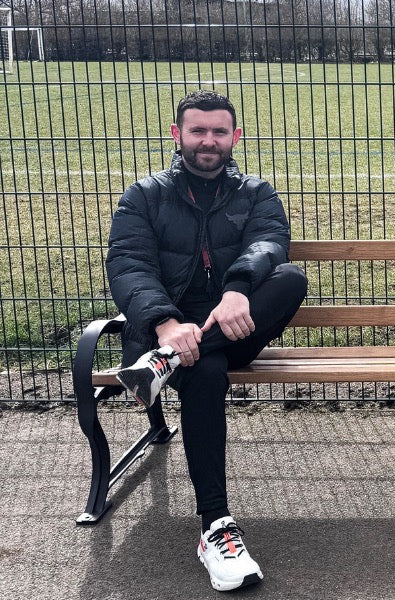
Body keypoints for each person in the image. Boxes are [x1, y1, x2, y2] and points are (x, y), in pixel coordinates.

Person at [106, 90, 307, 592]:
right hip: (162, 332)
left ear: (235, 137)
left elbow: (269, 243)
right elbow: (130, 267)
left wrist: (238, 288)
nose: (209, 141)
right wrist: (165, 325)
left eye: (220, 131)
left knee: (290, 278)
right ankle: (216, 527)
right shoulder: (144, 196)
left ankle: (165, 363)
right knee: (203, 370)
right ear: (178, 136)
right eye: (198, 131)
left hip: (232, 327)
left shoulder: (257, 193)